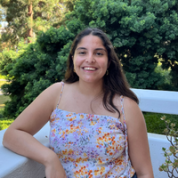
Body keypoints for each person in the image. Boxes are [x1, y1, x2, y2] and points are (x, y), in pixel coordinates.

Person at [3, 28, 154, 178]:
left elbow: (145, 173)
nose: (90, 59)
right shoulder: (56, 94)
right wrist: (50, 159)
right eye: (82, 52)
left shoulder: (126, 106)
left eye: (99, 53)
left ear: (109, 62)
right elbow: (12, 135)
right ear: (73, 59)